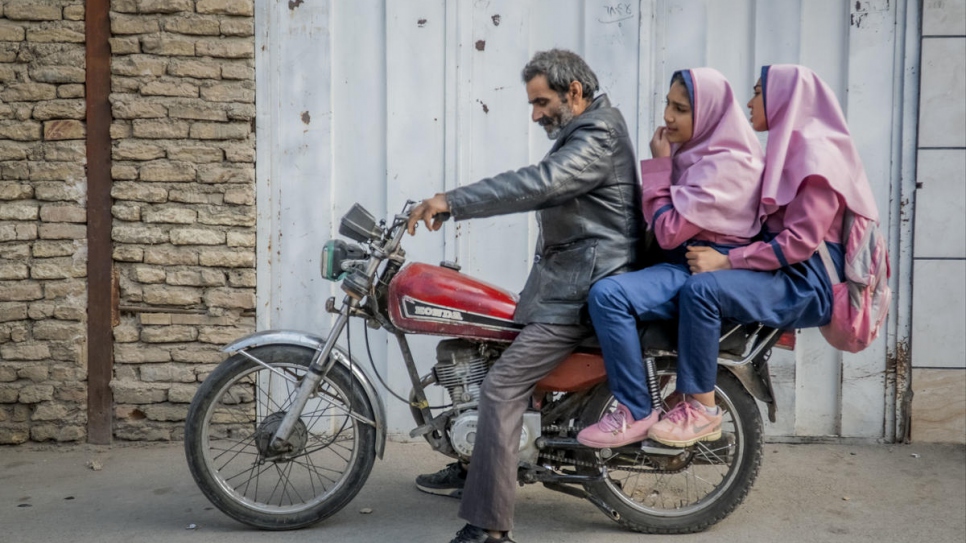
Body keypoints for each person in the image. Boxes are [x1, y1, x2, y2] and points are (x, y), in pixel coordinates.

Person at [406, 49, 643, 543]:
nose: (535, 114)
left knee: (500, 388)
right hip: (563, 282)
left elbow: (541, 183)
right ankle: (477, 466)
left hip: (581, 290)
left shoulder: (598, 133)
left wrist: (452, 201)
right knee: (483, 352)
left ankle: (490, 529)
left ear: (573, 91)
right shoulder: (585, 129)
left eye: (541, 102)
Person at [647, 64, 880, 447]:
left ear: (786, 99)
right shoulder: (791, 149)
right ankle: (686, 389)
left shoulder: (818, 160)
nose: (750, 102)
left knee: (703, 290)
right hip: (790, 272)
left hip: (809, 282)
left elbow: (799, 243)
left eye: (758, 92)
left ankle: (703, 410)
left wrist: (727, 261)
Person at [575, 68, 765, 448]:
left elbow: (667, 230)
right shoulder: (697, 154)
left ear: (709, 115)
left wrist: (659, 166)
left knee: (609, 295)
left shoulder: (727, 166)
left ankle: (634, 409)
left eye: (680, 108)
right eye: (668, 103)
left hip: (698, 266)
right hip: (683, 261)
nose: (667, 116)